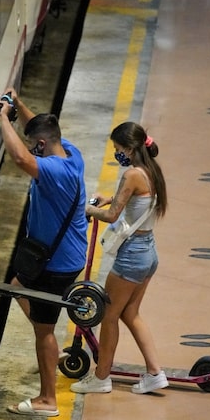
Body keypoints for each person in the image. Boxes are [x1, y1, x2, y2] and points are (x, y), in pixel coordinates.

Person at [0, 90, 88, 417]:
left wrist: (2, 117)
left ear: (41, 145)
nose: (32, 146)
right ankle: (53, 355)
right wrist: (18, 103)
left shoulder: (52, 170)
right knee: (17, 286)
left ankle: (48, 400)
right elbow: (38, 130)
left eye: (34, 143)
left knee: (43, 331)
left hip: (56, 263)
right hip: (63, 254)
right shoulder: (71, 153)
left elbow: (21, 158)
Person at [70, 121, 169, 395]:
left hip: (132, 256)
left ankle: (101, 377)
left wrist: (89, 209)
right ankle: (154, 373)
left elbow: (113, 215)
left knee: (109, 315)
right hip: (149, 253)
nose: (117, 153)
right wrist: (109, 197)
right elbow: (137, 200)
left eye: (117, 148)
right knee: (130, 313)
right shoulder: (151, 170)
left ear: (129, 148)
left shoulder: (131, 174)